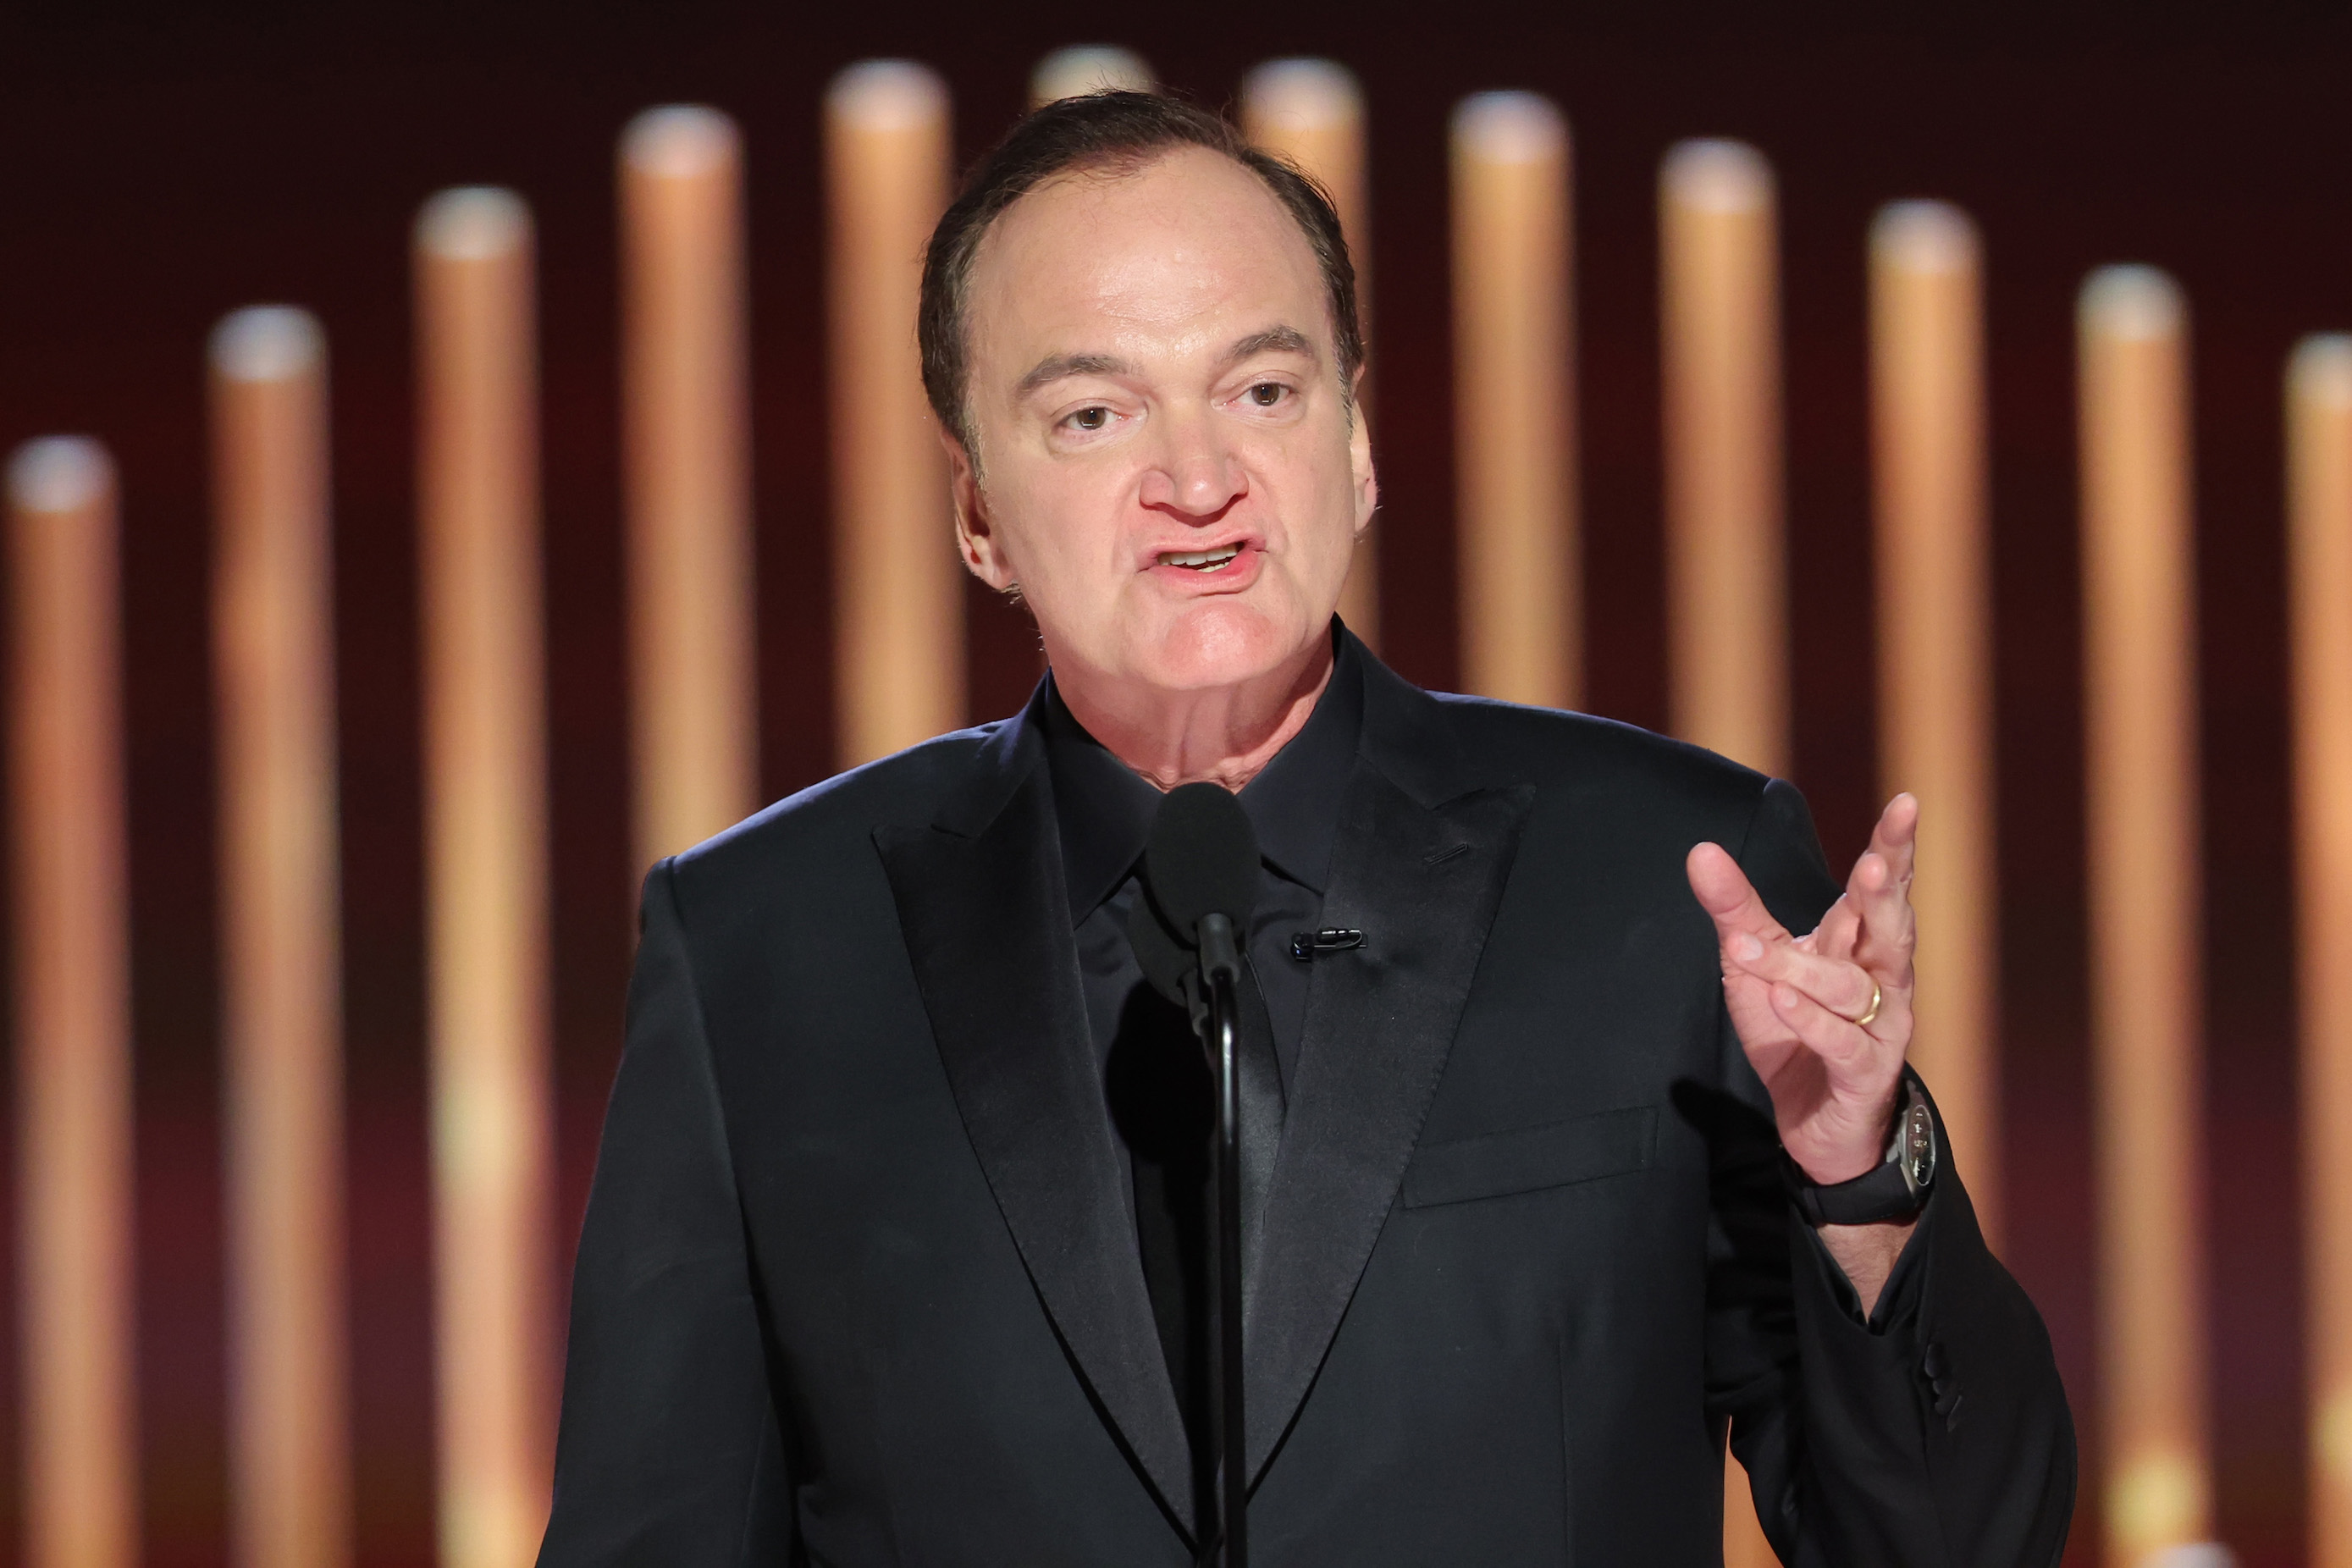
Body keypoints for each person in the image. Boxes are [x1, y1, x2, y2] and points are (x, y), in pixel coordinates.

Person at [537, 91, 2073, 1565]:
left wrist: (1859, 1183)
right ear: (979, 517)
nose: (1199, 481)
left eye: (1263, 390)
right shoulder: (765, 951)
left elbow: (1953, 1542)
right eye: (1091, 413)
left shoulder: (1670, 882)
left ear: (1354, 446)